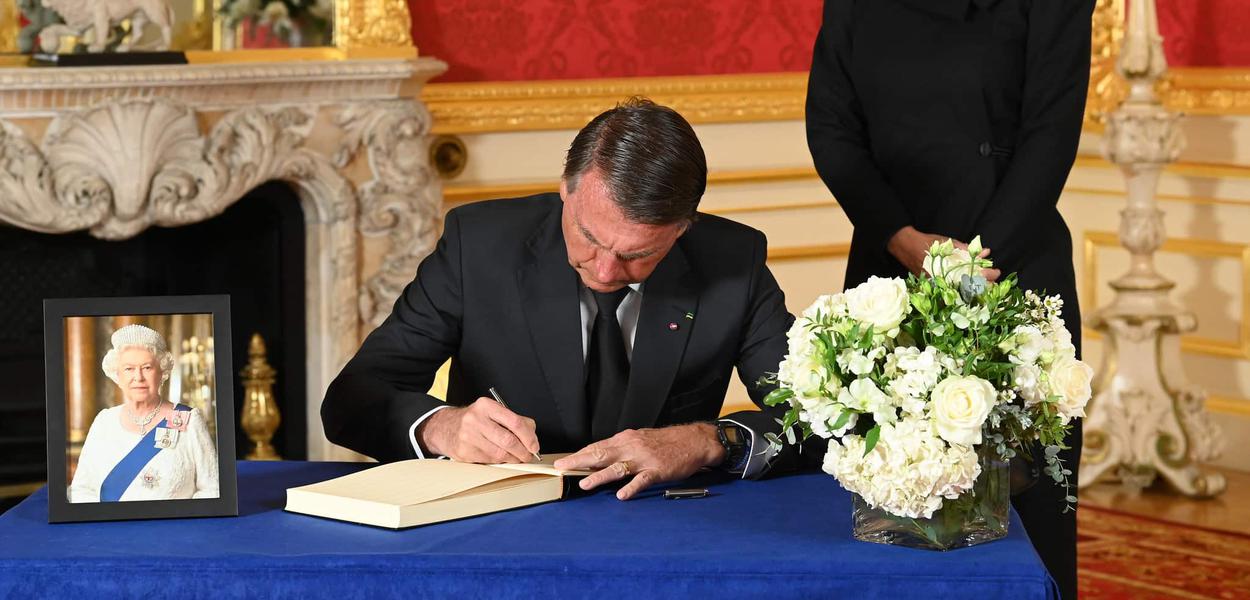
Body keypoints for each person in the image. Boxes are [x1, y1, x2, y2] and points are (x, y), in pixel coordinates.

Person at [323, 97, 804, 499]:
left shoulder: (733, 261)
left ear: (681, 229)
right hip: (503, 517)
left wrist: (710, 440)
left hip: (663, 521)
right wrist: (440, 427)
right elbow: (352, 399)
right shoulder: (480, 246)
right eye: (589, 237)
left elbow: (824, 419)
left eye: (637, 254)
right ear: (565, 191)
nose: (605, 270)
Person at [805, 1, 1093, 598]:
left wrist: (971, 263)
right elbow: (831, 128)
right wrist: (902, 239)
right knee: (891, 493)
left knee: (1027, 501)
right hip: (889, 273)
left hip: (1010, 274)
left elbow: (1052, 132)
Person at [69, 324, 220, 503]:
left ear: (162, 372)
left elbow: (213, 488)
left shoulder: (189, 420)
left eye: (147, 367)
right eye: (129, 369)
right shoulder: (104, 422)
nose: (138, 377)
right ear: (118, 375)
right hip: (113, 529)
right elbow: (82, 489)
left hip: (174, 528)